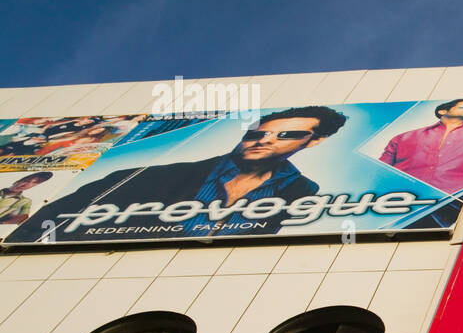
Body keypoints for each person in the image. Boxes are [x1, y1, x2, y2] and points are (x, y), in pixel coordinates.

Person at [6, 107, 346, 242]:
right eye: (259, 133)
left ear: (314, 141)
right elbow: (42, 226)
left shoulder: (304, 193)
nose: (266, 140)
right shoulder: (139, 177)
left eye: (287, 135)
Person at [379, 98, 463, 193]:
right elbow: (380, 171)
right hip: (402, 199)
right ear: (442, 111)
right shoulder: (404, 137)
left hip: (457, 200)